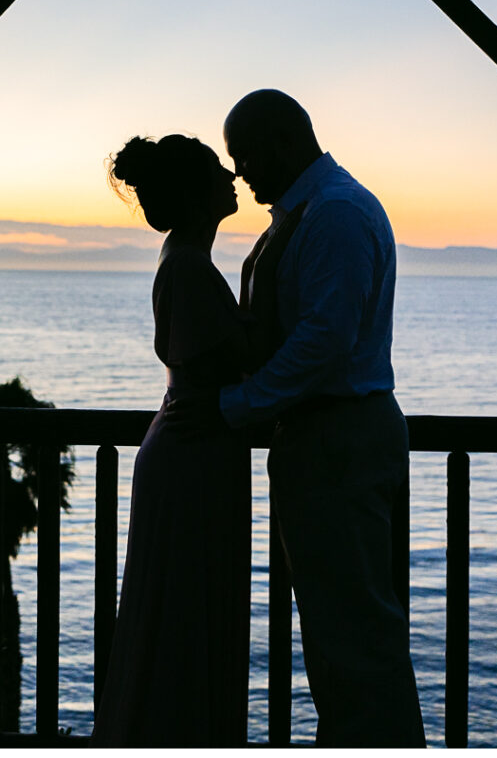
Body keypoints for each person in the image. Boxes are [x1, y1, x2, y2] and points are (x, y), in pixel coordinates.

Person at [168, 89, 426, 747]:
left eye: (245, 154)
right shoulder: (309, 211)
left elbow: (322, 342)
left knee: (354, 638)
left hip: (337, 438)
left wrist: (231, 408)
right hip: (323, 440)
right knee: (339, 632)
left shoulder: (333, 216)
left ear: (283, 140)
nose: (240, 171)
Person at [91, 134, 252, 747]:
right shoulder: (187, 267)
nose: (231, 176)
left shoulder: (185, 259)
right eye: (216, 170)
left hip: (192, 446)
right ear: (193, 194)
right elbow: (234, 363)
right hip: (194, 454)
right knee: (185, 611)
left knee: (182, 608)